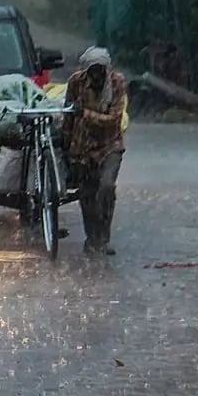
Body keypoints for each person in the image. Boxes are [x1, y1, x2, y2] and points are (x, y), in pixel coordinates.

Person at [63, 46, 127, 256]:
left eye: (101, 70)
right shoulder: (76, 82)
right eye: (93, 71)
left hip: (110, 145)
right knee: (87, 194)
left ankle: (104, 238)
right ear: (86, 71)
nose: (97, 76)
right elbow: (69, 113)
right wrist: (66, 143)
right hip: (83, 147)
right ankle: (93, 238)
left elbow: (114, 119)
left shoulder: (117, 83)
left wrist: (86, 113)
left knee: (106, 187)